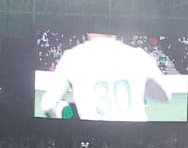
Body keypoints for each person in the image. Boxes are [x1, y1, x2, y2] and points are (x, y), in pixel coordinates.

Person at [34, 32, 172, 122]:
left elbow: (47, 105)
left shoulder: (72, 57)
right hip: (137, 138)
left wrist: (66, 111)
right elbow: (166, 95)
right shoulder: (139, 55)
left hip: (96, 138)